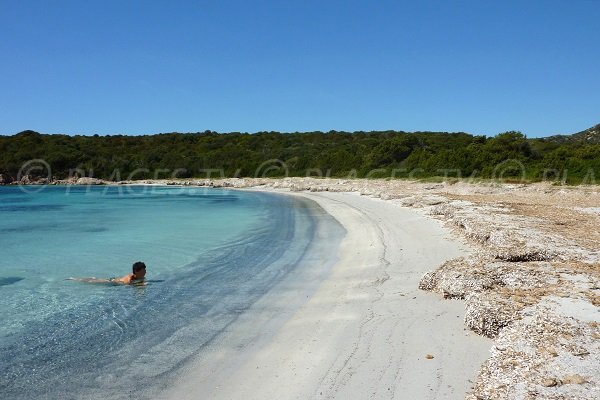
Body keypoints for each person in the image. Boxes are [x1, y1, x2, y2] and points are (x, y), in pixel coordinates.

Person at [68, 261, 147, 285]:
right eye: (143, 270)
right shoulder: (130, 279)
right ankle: (74, 279)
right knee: (91, 281)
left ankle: (93, 278)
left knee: (94, 279)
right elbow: (132, 286)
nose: (145, 271)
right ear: (137, 271)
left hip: (113, 280)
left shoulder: (137, 276)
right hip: (111, 282)